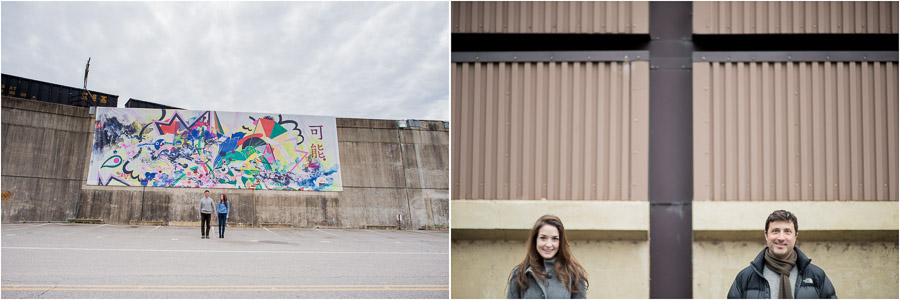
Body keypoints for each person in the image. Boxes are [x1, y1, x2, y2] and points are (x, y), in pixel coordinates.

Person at [727, 210, 837, 299]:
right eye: (775, 231)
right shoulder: (745, 278)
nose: (781, 237)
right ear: (766, 235)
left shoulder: (817, 276)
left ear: (795, 236)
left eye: (787, 231)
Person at [506, 215, 588, 299]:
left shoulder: (575, 274)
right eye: (543, 238)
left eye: (554, 239)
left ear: (560, 242)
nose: (548, 244)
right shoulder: (520, 274)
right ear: (535, 240)